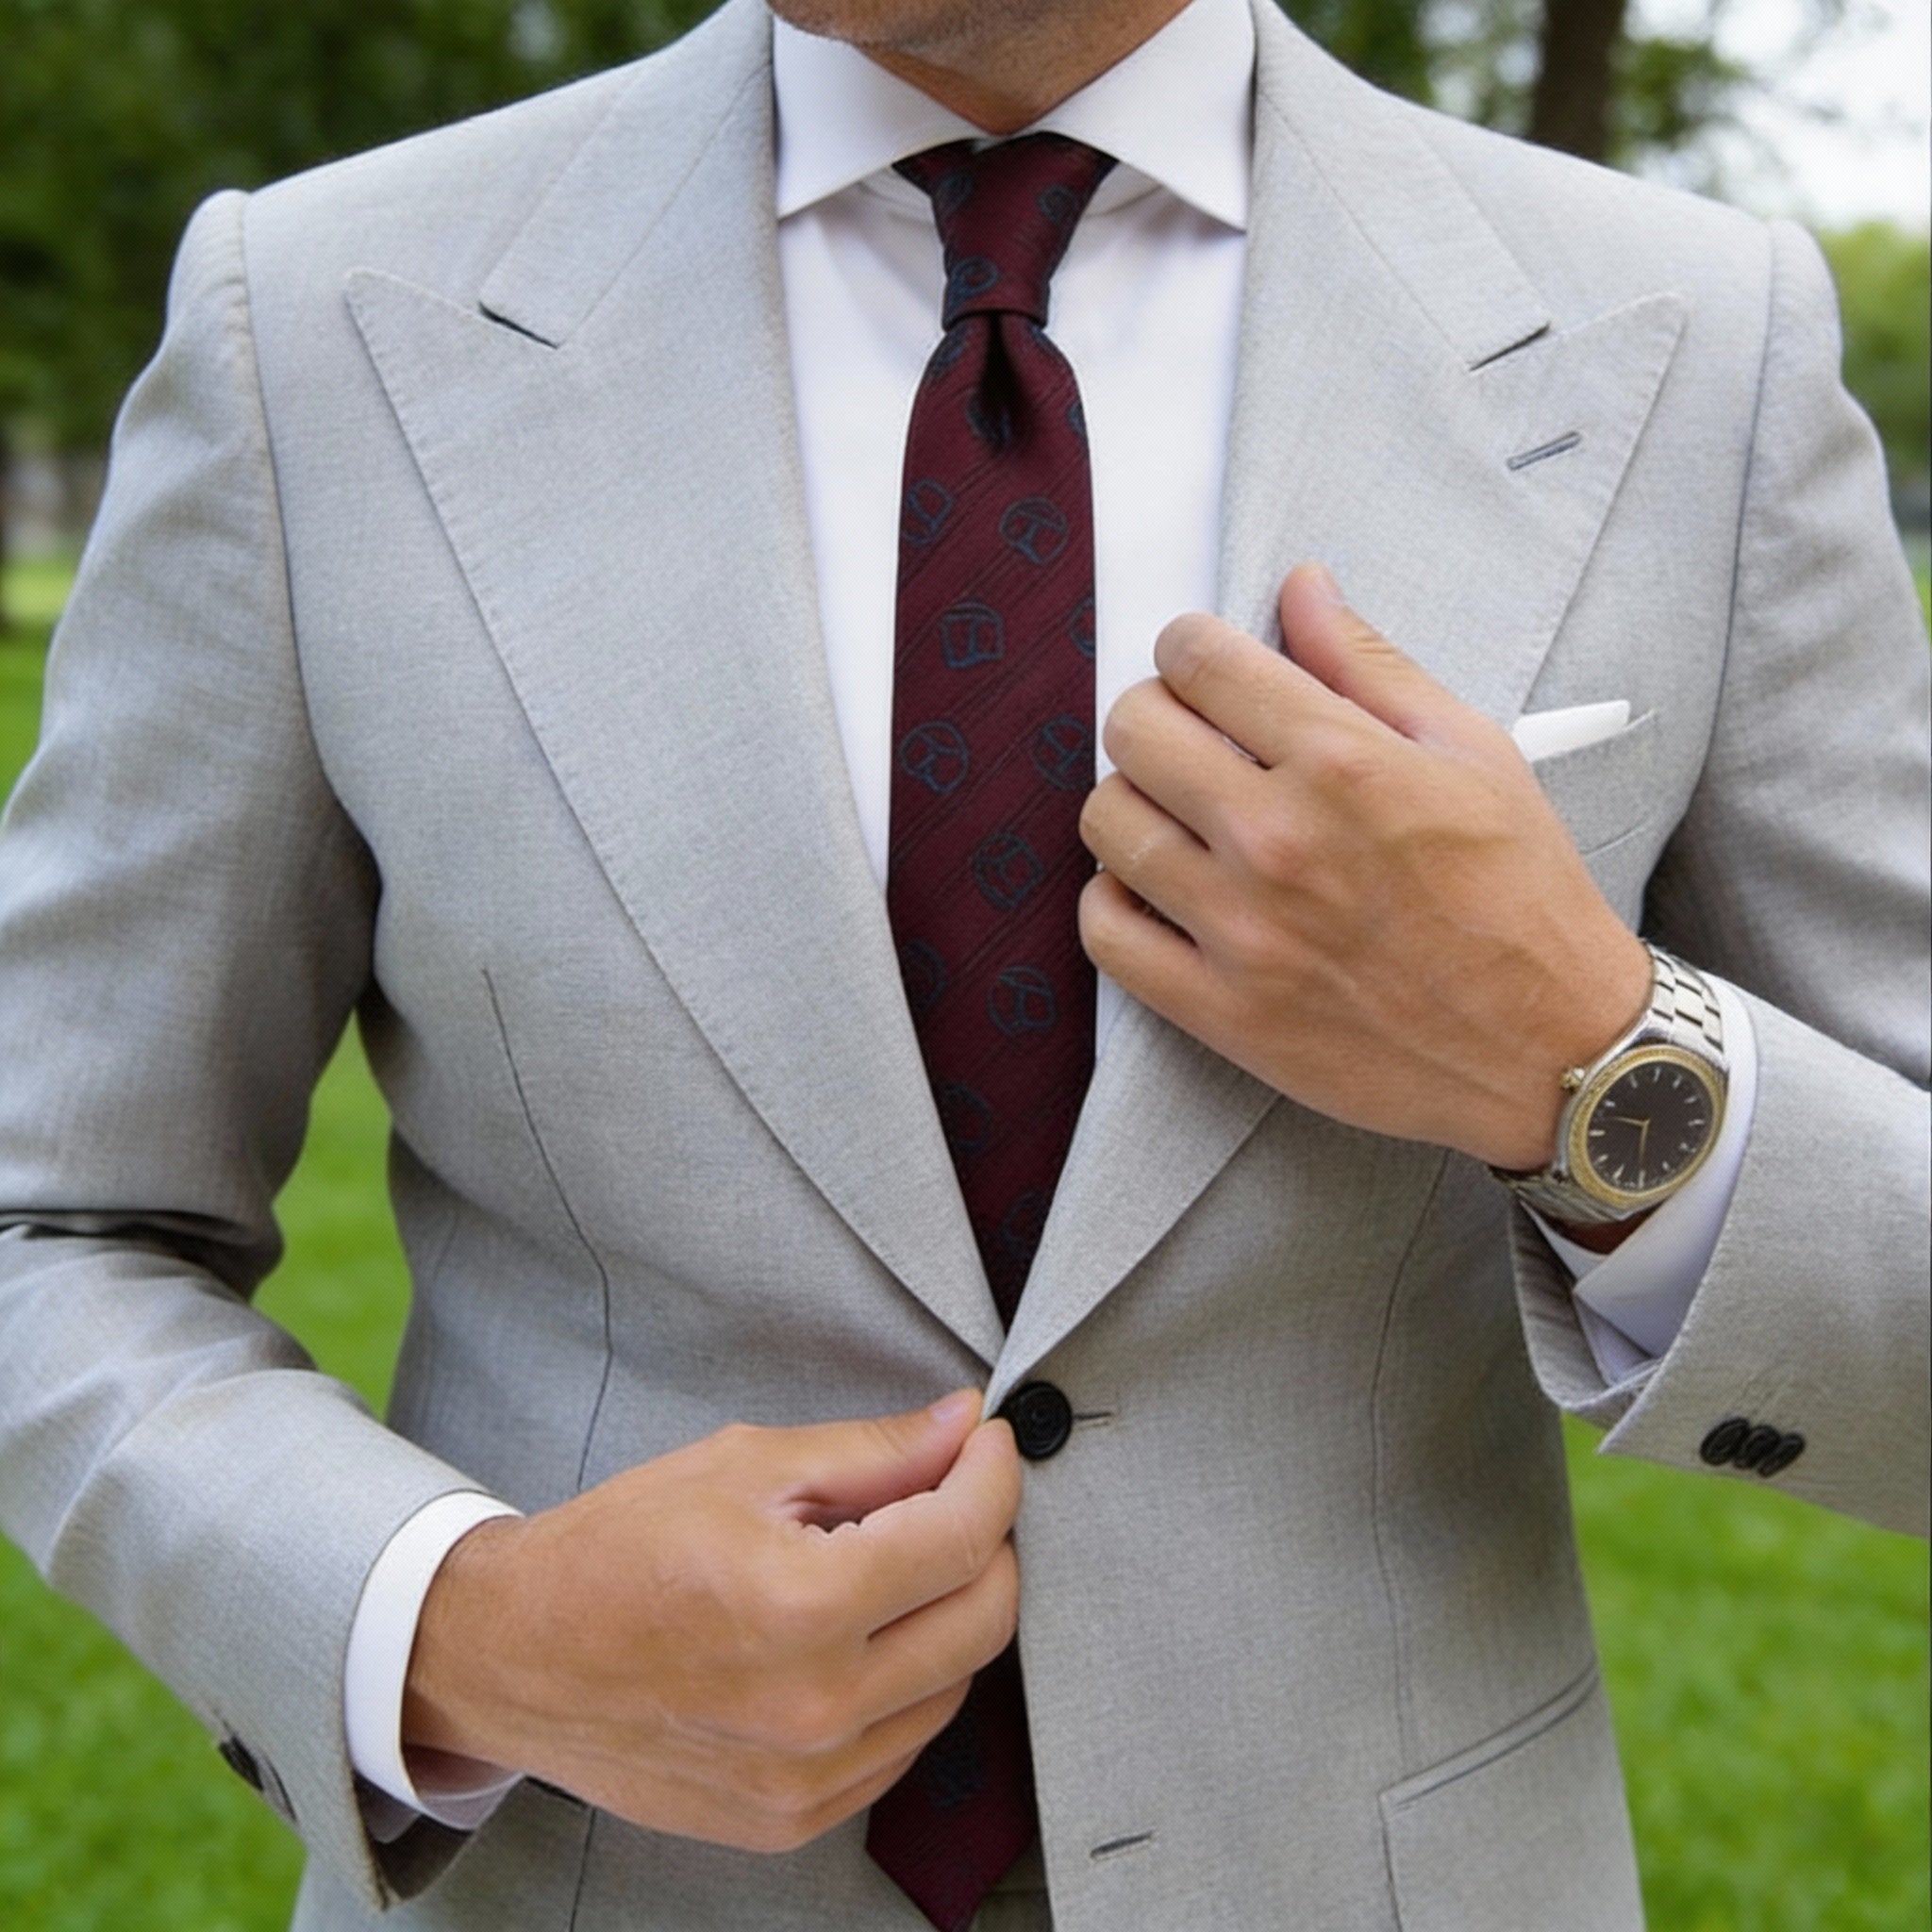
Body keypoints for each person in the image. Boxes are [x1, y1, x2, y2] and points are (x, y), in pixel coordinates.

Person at [0, 0, 1924, 1926]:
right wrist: (456, 1628)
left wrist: (1588, 1069)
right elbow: (53, 1222)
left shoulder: (1696, 345)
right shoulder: (316, 317)